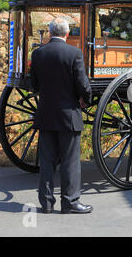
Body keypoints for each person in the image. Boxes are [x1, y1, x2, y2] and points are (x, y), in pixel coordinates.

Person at [30, 17, 92, 214]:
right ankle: (70, 202)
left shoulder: (38, 54)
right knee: (70, 160)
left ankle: (46, 203)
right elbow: (82, 84)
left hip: (46, 113)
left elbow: (34, 85)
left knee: (47, 160)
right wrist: (85, 99)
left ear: (49, 33)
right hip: (68, 115)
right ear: (67, 34)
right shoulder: (74, 53)